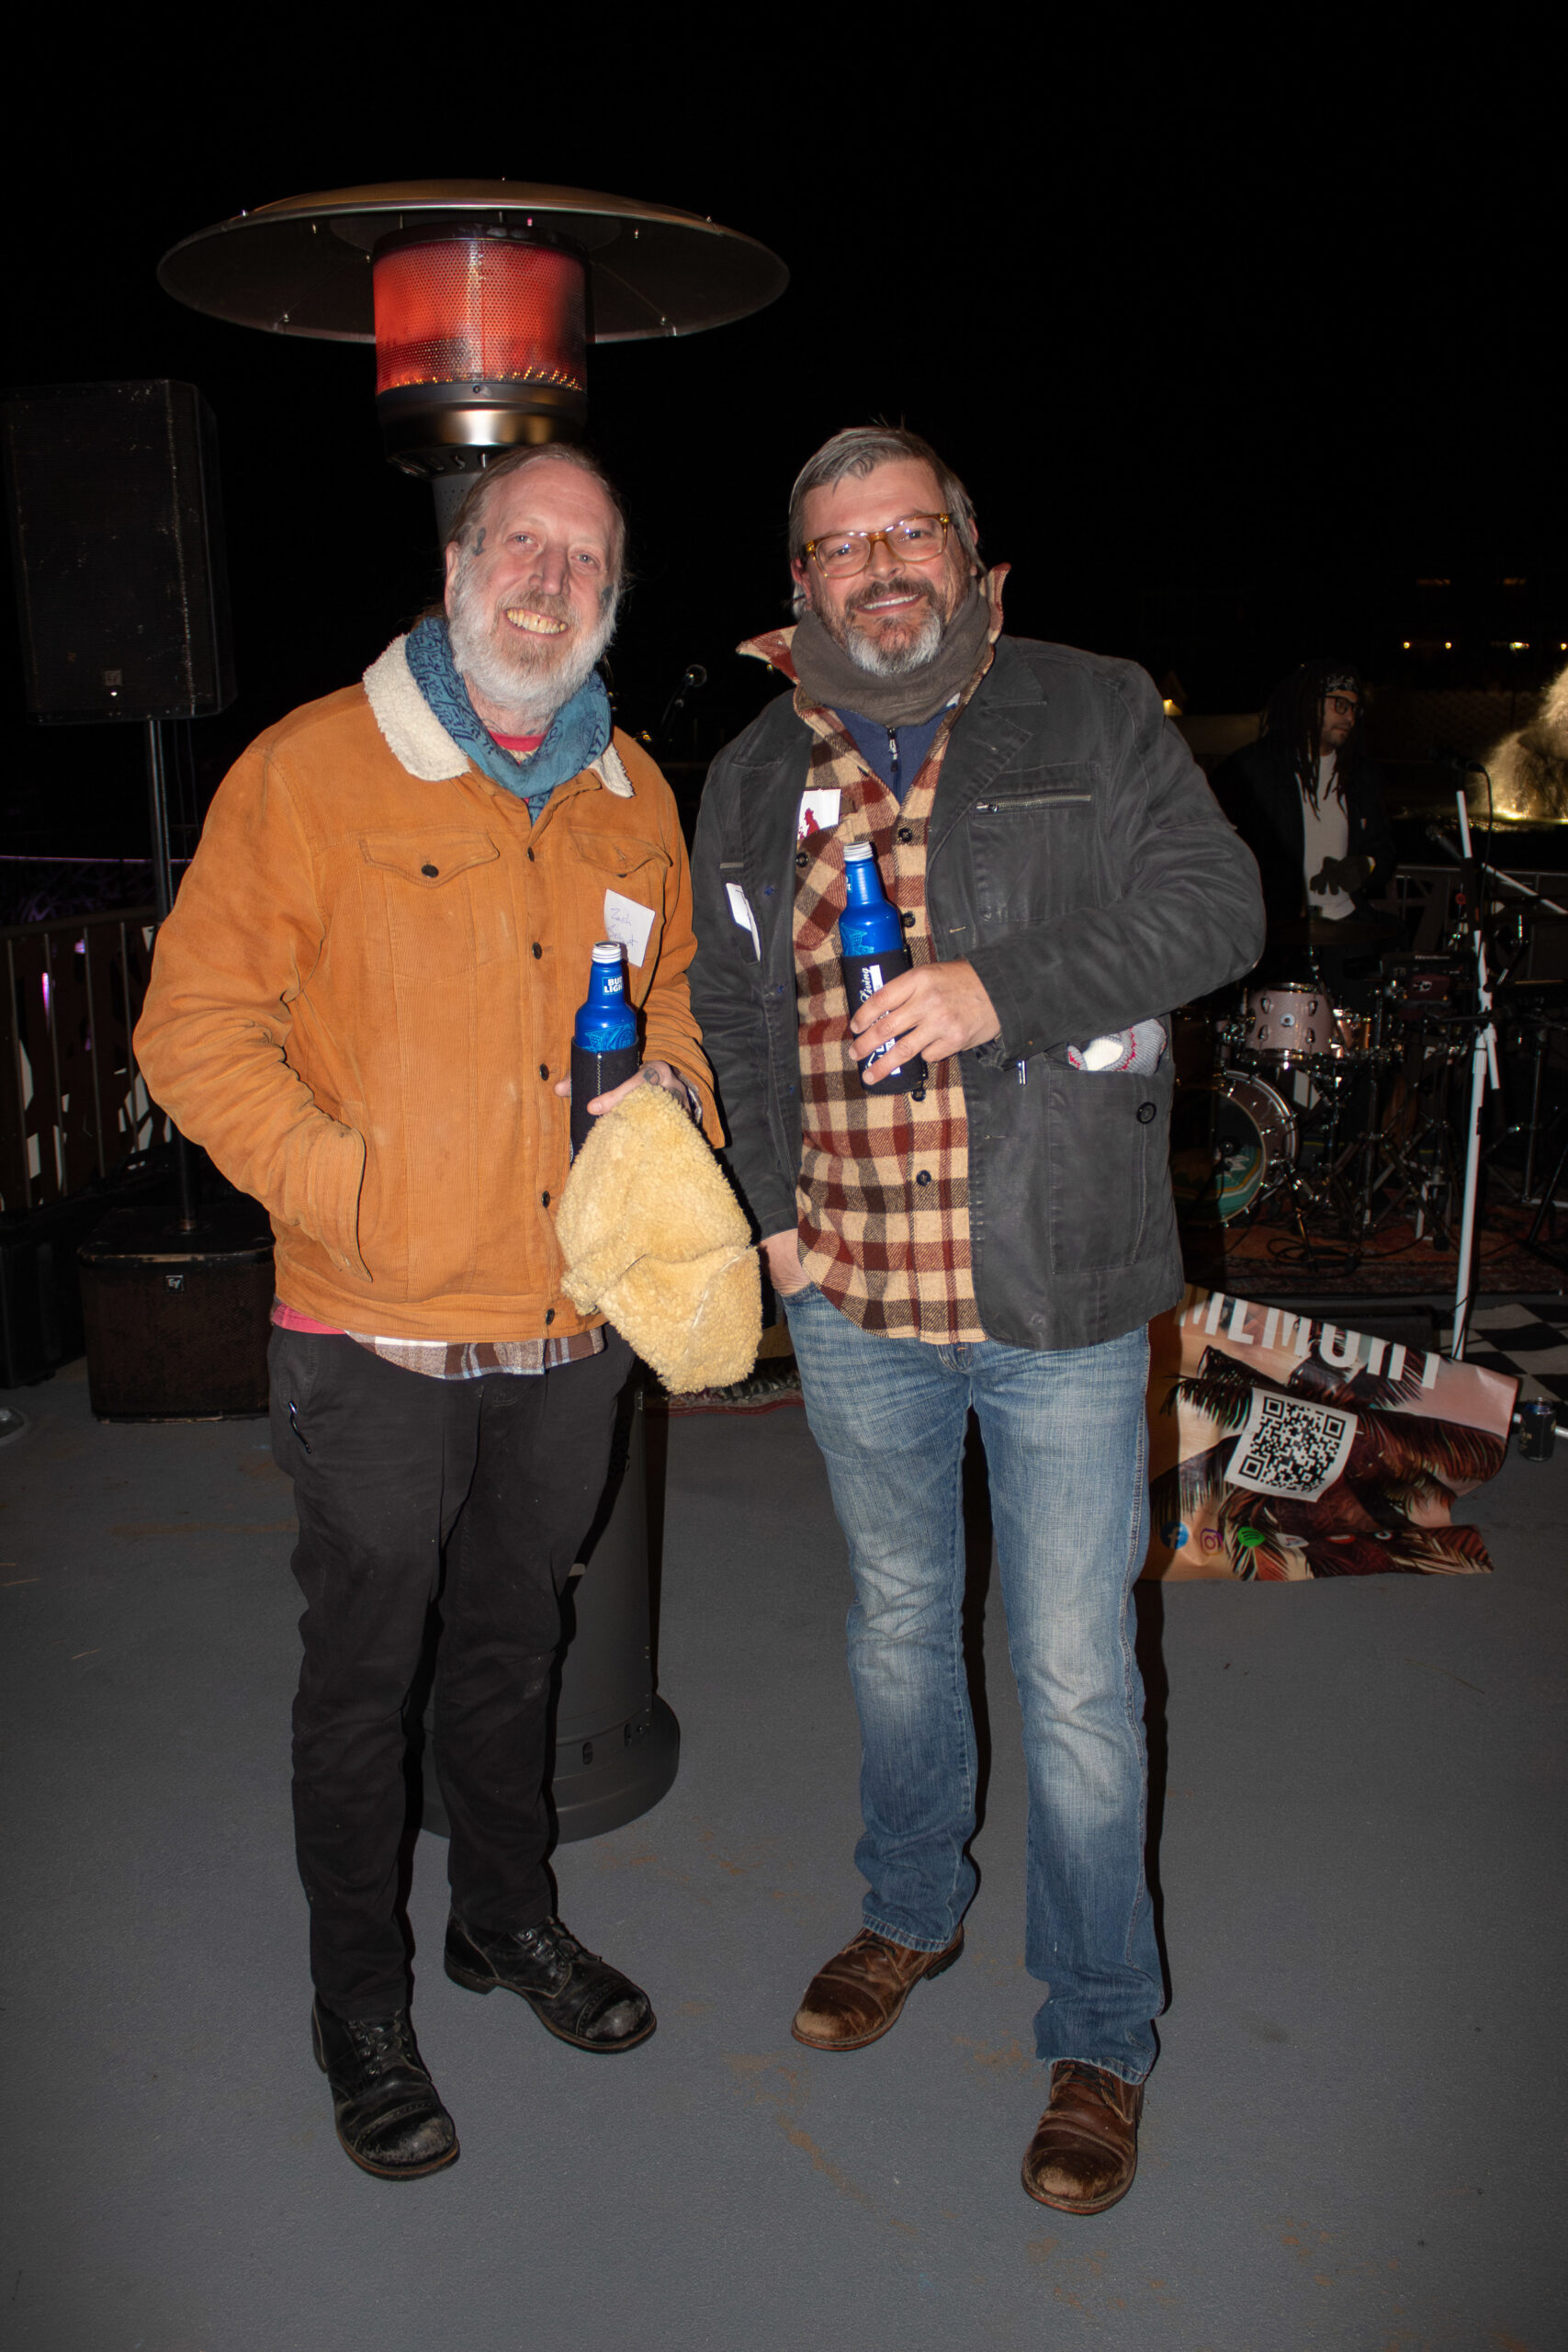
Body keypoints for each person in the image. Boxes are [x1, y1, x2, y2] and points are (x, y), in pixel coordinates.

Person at [689, 425, 1264, 2215]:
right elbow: (733, 1002)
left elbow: (1221, 908)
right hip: (853, 1291)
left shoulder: (1088, 707)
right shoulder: (751, 770)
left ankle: (1096, 2030)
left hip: (1057, 1284)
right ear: (802, 581)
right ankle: (909, 1906)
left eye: (905, 531)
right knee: (895, 1622)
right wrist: (770, 1217)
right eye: (840, 543)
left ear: (961, 546)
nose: (877, 566)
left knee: (1077, 1670)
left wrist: (995, 988)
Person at [134, 444, 716, 2181]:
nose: (551, 579)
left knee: (516, 1641)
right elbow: (192, 1029)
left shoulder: (630, 791)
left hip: (565, 1323)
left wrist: (671, 1103)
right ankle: (358, 2003)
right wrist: (347, 1187)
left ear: (613, 594)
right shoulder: (310, 769)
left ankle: (501, 1918)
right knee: (362, 1676)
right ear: (460, 564)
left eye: (585, 558)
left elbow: (674, 1001)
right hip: (370, 1330)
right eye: (523, 544)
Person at [1212, 659, 1397, 990]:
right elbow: (1211, 845)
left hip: (1345, 934)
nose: (1350, 717)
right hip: (1273, 939)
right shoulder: (1253, 769)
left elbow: (1384, 849)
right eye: (1340, 704)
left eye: (1355, 708)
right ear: (1308, 702)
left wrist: (1364, 866)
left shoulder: (1361, 776)